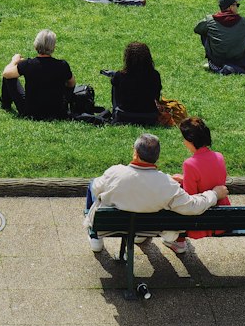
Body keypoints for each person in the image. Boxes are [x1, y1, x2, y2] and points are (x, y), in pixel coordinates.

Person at [83, 133, 227, 253]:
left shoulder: (114, 173)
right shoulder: (168, 185)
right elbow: (192, 206)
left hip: (110, 226)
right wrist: (214, 194)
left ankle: (95, 237)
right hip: (149, 228)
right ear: (157, 157)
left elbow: (96, 189)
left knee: (93, 183)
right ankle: (138, 234)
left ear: (135, 153)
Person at [168, 117, 230, 249]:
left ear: (190, 141)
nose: (184, 142)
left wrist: (180, 184)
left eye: (184, 139)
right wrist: (186, 178)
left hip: (202, 219)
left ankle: (179, 242)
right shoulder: (219, 156)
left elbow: (190, 197)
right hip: (222, 216)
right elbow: (209, 180)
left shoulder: (189, 164)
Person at [1, 30, 75, 119]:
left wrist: (14, 61)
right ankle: (63, 105)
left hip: (30, 111)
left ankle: (5, 104)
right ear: (54, 47)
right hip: (57, 111)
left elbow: (6, 73)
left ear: (35, 45)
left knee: (9, 77)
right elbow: (71, 83)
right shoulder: (62, 65)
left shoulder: (28, 64)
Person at [195, 0, 245, 74]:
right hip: (238, 59)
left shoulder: (209, 21)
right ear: (230, 7)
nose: (237, 7)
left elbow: (197, 29)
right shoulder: (243, 21)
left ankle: (214, 64)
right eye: (237, 5)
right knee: (243, 36)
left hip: (218, 60)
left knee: (205, 32)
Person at [108, 41, 161, 126]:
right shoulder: (155, 75)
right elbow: (156, 96)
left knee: (114, 82)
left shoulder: (120, 75)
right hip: (149, 116)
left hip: (124, 115)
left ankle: (114, 113)